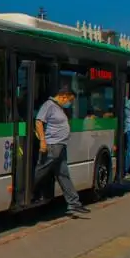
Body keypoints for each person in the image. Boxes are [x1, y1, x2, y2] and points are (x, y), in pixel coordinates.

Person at [33, 86, 90, 215]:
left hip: (61, 146)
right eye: (69, 100)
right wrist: (43, 141)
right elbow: (38, 122)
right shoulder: (49, 105)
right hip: (52, 146)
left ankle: (74, 203)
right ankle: (28, 190)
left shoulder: (59, 108)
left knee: (64, 175)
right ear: (63, 96)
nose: (69, 103)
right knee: (41, 170)